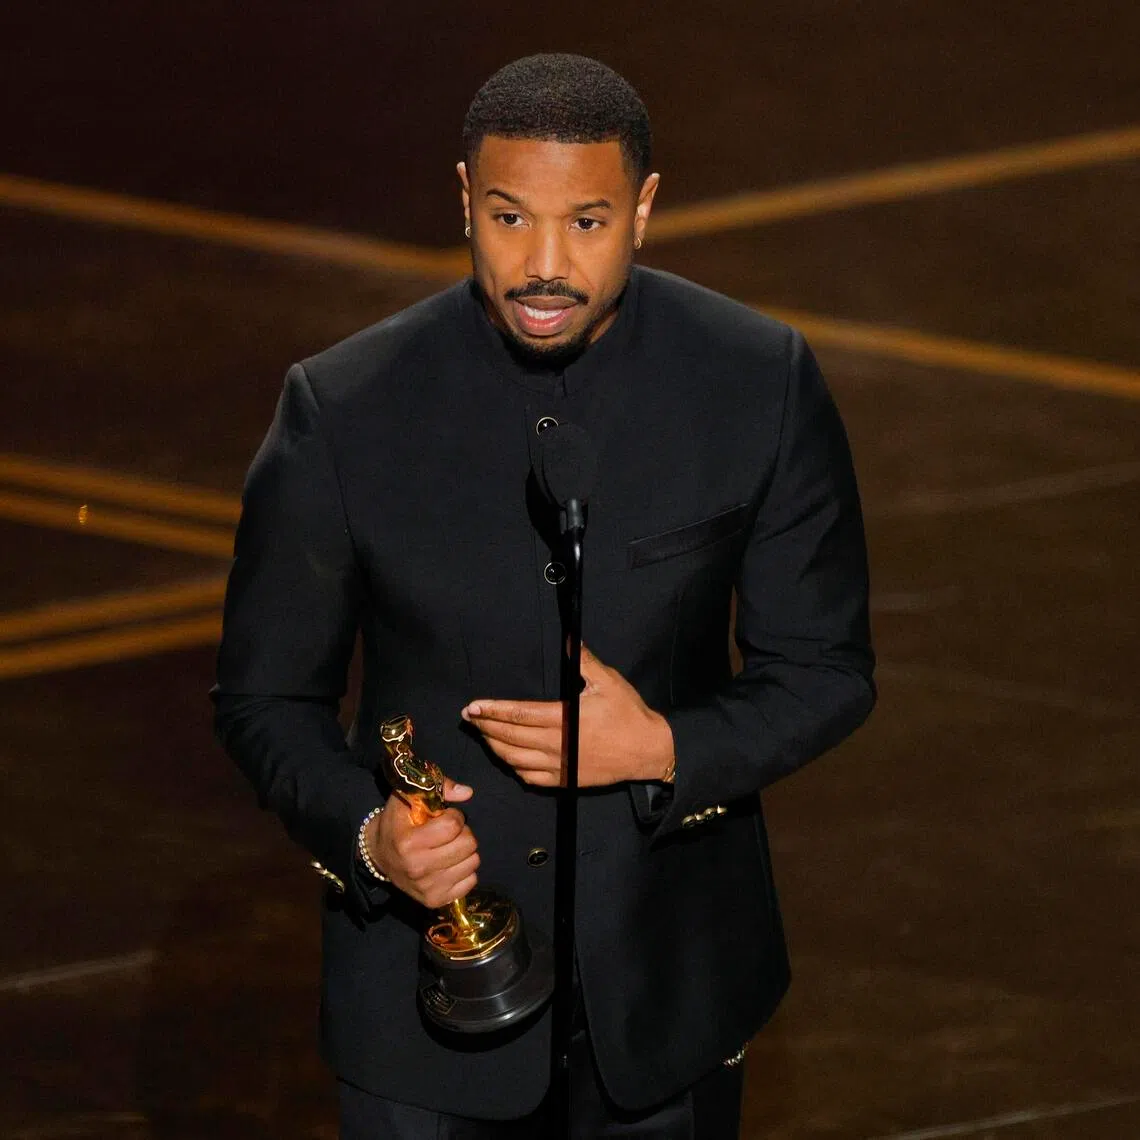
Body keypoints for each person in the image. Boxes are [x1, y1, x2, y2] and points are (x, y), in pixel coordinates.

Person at [214, 52, 875, 1139]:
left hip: (668, 995)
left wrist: (661, 747)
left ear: (646, 210)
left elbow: (827, 670)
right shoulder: (343, 409)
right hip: (419, 1014)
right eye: (510, 218)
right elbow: (263, 700)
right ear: (464, 197)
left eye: (588, 223)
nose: (544, 265)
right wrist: (375, 839)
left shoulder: (756, 380)